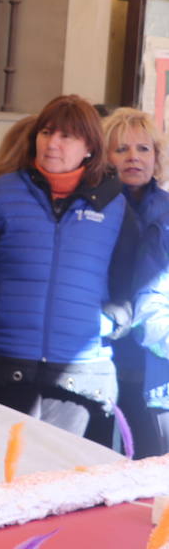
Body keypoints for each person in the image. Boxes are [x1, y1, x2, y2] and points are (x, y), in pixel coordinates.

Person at [0, 95, 140, 446]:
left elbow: (130, 287)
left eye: (67, 136)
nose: (52, 143)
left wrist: (114, 321)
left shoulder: (116, 207)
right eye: (47, 132)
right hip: (4, 372)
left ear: (89, 148)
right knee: (1, 482)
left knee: (65, 491)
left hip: (80, 381)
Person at [104, 108, 169, 457]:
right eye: (121, 149)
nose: (133, 158)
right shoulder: (93, 209)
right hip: (100, 355)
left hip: (155, 365)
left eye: (143, 149)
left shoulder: (168, 211)